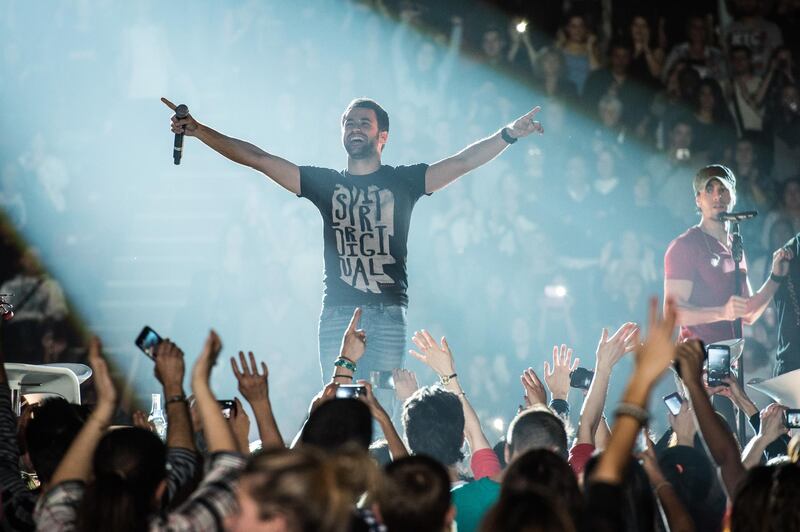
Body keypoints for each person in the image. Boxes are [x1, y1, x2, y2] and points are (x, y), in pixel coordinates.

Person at [162, 96, 544, 402]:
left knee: (386, 411)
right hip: (338, 319)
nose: (355, 127)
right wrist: (199, 131)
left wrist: (508, 134)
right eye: (349, 122)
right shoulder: (324, 183)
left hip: (390, 317)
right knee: (340, 408)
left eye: (364, 122)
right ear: (342, 134)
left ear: (383, 136)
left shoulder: (405, 181)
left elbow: (462, 162)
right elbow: (259, 159)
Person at [664, 164, 790, 344]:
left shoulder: (735, 246)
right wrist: (721, 312)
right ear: (698, 199)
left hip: (732, 361)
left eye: (723, 189)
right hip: (697, 361)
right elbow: (672, 314)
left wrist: (775, 277)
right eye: (709, 190)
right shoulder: (684, 246)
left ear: (733, 197)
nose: (717, 196)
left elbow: (748, 313)